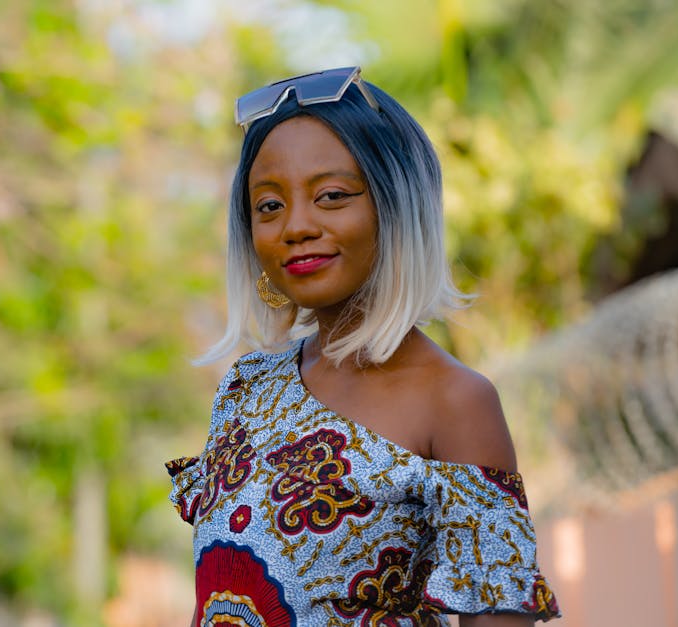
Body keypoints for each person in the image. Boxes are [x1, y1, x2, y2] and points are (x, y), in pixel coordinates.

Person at [166, 67, 560, 626]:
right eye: (269, 206)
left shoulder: (455, 401)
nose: (295, 226)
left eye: (331, 196)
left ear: (396, 208)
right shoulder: (245, 390)